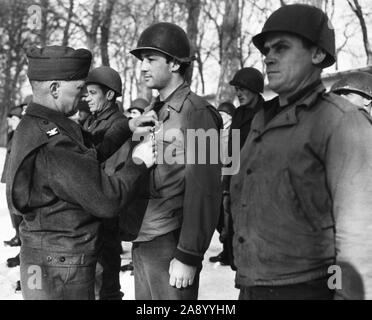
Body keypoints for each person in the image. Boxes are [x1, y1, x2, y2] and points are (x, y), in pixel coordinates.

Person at [230, 4, 372, 300]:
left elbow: (358, 234)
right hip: (252, 284)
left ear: (317, 54)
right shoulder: (260, 119)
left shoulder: (340, 121)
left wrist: (345, 295)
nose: (268, 57)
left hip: (307, 288)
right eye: (267, 50)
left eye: (281, 47)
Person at [5, 45, 156, 300]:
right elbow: (107, 200)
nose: (82, 96)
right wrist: (138, 162)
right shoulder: (54, 143)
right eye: (78, 88)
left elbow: (86, 156)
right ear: (54, 89)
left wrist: (126, 127)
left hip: (44, 255)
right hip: (63, 265)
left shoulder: (36, 127)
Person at [130, 22, 222, 300]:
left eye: (151, 59)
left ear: (174, 65)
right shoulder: (150, 112)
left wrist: (189, 253)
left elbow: (206, 189)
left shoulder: (198, 113)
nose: (143, 67)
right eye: (142, 61)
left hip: (171, 241)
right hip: (144, 234)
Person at [210, 68, 264, 266]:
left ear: (255, 89)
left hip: (257, 187)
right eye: (237, 90)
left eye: (243, 89)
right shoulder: (239, 114)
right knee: (233, 235)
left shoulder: (266, 114)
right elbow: (231, 154)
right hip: (235, 185)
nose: (238, 94)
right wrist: (225, 188)